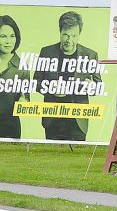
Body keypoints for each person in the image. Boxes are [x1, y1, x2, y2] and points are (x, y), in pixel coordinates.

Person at [32, 11, 101, 141]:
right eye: (65, 35)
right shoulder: (46, 52)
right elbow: (36, 82)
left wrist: (91, 86)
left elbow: (98, 87)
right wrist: (50, 88)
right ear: (60, 32)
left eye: (74, 36)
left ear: (79, 34)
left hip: (77, 120)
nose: (69, 40)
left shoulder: (90, 55)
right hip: (52, 118)